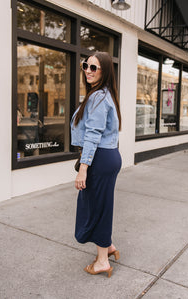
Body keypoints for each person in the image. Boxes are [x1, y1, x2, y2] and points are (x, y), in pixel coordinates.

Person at [70, 51, 122, 278]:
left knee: (97, 208)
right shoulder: (104, 94)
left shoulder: (98, 97)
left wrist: (83, 167)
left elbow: (93, 134)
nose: (88, 71)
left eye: (94, 67)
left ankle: (102, 262)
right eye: (86, 66)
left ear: (105, 70)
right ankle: (108, 247)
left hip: (99, 158)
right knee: (100, 205)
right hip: (106, 156)